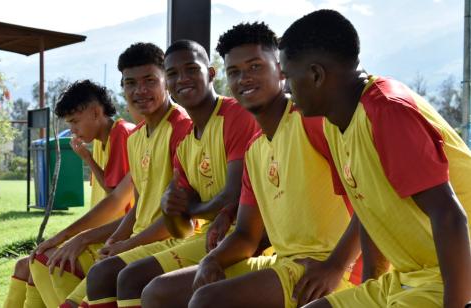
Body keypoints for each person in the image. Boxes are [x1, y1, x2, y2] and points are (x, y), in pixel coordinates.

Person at [141, 22, 359, 308]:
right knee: (158, 292)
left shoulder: (312, 121)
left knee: (207, 300)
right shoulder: (255, 148)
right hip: (284, 263)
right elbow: (245, 235)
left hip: (330, 266)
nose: (244, 78)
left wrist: (335, 266)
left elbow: (371, 200)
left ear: (281, 69)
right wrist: (212, 260)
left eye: (255, 66)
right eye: (234, 71)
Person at [278, 9, 471, 308]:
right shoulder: (334, 122)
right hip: (408, 277)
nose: (286, 89)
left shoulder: (387, 110)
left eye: (288, 77)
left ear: (316, 75)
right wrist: (369, 288)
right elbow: (369, 209)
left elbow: (449, 216)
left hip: (454, 277)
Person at [88, 39, 259, 308]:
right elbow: (180, 223)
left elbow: (230, 196)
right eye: (173, 74)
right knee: (98, 274)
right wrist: (174, 210)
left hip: (241, 239)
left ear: (211, 73)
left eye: (191, 69)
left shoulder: (235, 115)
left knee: (134, 282)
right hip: (205, 239)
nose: (182, 79)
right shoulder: (185, 142)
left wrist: (190, 209)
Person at [68, 42, 192, 308]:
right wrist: (115, 239)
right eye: (130, 83)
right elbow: (139, 205)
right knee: (54, 275)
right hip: (138, 239)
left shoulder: (183, 129)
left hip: (171, 240)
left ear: (166, 82)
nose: (140, 91)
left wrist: (127, 244)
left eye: (150, 81)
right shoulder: (135, 138)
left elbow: (184, 215)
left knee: (103, 276)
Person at [3, 80, 134, 308]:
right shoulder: (104, 140)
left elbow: (117, 200)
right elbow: (113, 189)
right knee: (28, 263)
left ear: (95, 112)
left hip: (123, 233)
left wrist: (70, 237)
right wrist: (89, 159)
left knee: (44, 262)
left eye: (74, 121)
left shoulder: (122, 134)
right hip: (110, 231)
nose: (72, 130)